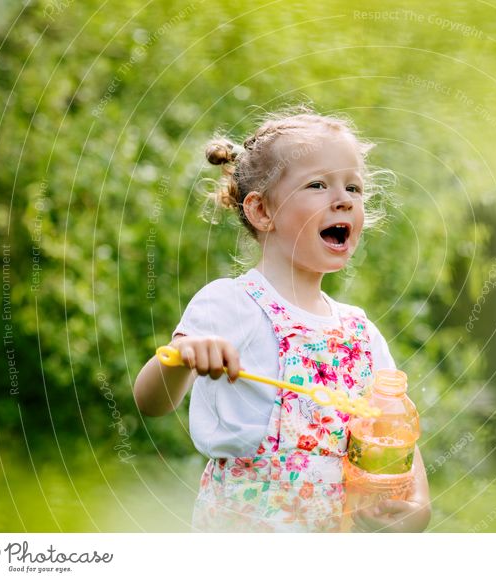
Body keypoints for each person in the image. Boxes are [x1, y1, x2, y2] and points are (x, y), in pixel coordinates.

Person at [133, 107, 430, 532]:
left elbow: (393, 426)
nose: (344, 198)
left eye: (353, 187)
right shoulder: (232, 303)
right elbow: (151, 403)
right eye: (317, 185)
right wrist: (179, 357)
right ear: (261, 212)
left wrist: (418, 499)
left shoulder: (360, 332)